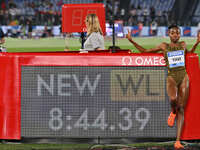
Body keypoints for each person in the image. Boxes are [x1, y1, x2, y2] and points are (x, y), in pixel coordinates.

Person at [126, 24, 200, 149]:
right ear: (169, 34)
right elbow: (144, 51)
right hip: (172, 76)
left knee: (182, 107)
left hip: (183, 76)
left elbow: (188, 54)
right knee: (173, 99)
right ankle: (173, 111)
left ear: (180, 34)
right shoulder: (163, 46)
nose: (175, 35)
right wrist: (131, 40)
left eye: (177, 32)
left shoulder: (183, 44)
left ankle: (177, 141)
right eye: (172, 33)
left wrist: (197, 43)